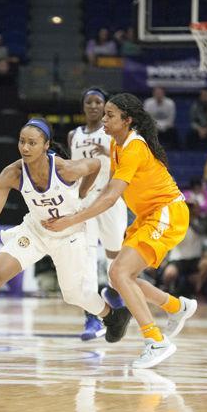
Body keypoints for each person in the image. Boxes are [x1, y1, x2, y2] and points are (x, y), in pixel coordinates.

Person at [0, 118, 132, 361]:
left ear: (46, 145)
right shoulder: (11, 174)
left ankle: (113, 316)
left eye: (32, 143)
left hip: (70, 233)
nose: (25, 147)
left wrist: (82, 192)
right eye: (22, 141)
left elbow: (96, 165)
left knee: (74, 296)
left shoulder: (64, 169)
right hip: (35, 230)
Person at [42, 93, 198, 369]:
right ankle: (177, 307)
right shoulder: (116, 145)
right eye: (104, 114)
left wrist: (73, 218)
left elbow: (112, 196)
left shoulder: (134, 147)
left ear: (127, 120)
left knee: (118, 273)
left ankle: (156, 340)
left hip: (166, 212)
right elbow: (104, 188)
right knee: (120, 278)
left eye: (110, 114)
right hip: (148, 215)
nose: (103, 118)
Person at [69, 87, 129, 341]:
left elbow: (129, 165)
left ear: (105, 107)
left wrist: (108, 154)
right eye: (89, 102)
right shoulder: (74, 135)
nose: (93, 106)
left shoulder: (115, 134)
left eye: (98, 102)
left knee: (114, 254)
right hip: (85, 200)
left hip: (111, 197)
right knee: (86, 258)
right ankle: (92, 318)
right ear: (83, 106)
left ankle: (114, 293)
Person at [160, 200, 207, 299]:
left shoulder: (202, 223)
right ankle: (166, 291)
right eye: (189, 207)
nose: (191, 209)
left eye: (193, 207)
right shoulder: (177, 222)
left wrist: (191, 219)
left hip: (195, 258)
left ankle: (197, 288)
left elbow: (203, 231)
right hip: (179, 258)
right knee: (169, 273)